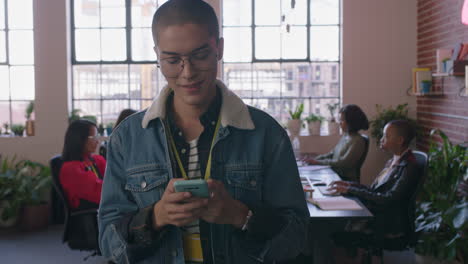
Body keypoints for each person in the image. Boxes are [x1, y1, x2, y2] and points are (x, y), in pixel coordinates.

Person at [97, 1, 309, 263]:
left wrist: (240, 216)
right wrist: (155, 218)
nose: (187, 73)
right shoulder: (127, 138)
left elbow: (298, 237)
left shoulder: (266, 134)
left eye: (200, 55)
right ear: (157, 56)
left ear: (218, 48)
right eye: (172, 60)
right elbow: (108, 241)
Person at [328, 120, 420, 259]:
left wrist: (351, 190)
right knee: (334, 223)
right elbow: (374, 190)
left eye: (386, 136)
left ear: (400, 140)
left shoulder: (409, 167)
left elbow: (387, 198)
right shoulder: (393, 160)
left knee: (331, 231)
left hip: (386, 225)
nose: (382, 139)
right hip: (377, 215)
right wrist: (348, 185)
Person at [304, 104, 369, 182]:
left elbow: (343, 163)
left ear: (351, 121)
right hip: (336, 175)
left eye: (342, 120)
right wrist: (314, 159)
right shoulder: (346, 136)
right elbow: (332, 154)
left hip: (346, 181)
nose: (339, 123)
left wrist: (318, 162)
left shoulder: (358, 141)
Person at [60, 119, 106, 210]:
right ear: (79, 139)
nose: (97, 141)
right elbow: (101, 192)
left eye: (97, 137)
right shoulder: (71, 169)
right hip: (93, 213)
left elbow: (113, 176)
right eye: (93, 138)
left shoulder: (95, 160)